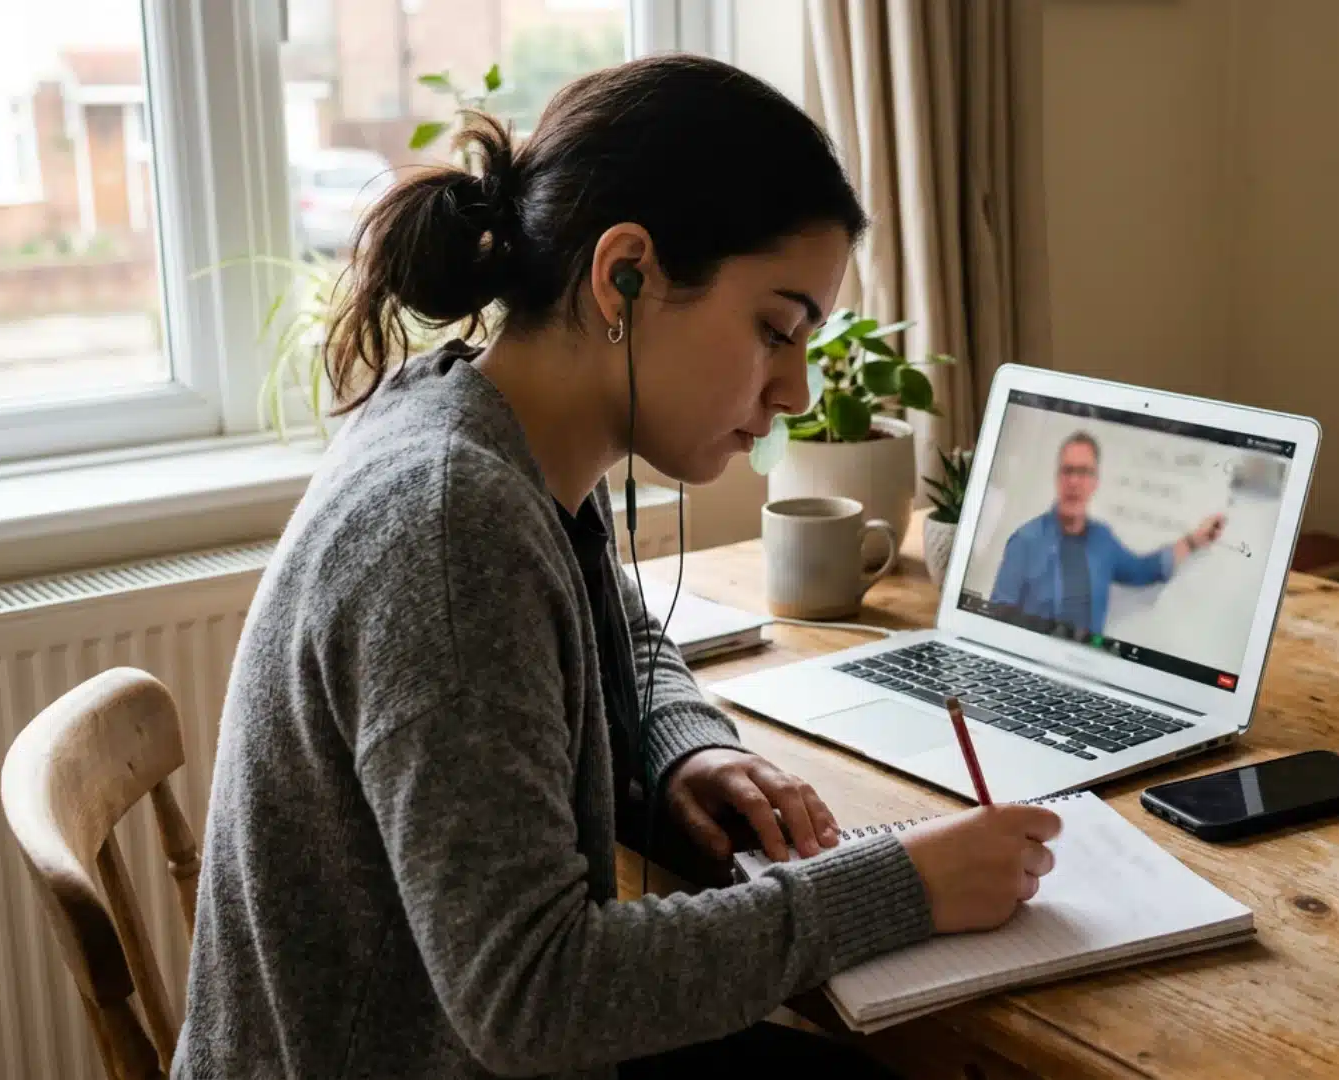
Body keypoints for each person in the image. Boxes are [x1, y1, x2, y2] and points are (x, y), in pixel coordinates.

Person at [175, 55, 1062, 1080]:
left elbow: (617, 626)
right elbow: (534, 999)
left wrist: (685, 746)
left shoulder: (482, 424)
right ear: (623, 274)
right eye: (775, 329)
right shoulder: (451, 523)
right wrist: (900, 886)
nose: (795, 391)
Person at [989, 432, 1226, 637]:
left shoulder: (1102, 539)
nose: (1074, 481)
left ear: (1095, 482)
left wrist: (1193, 541)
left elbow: (1143, 569)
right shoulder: (1025, 541)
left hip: (1087, 670)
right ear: (1057, 478)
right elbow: (997, 617)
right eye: (1068, 471)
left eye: (1084, 472)